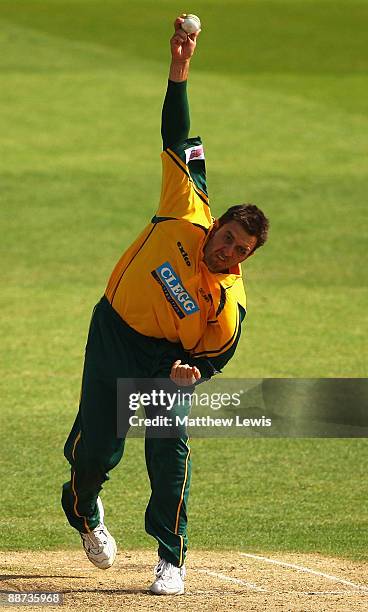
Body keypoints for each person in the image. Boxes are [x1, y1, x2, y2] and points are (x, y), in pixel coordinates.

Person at [61, 15, 269, 596]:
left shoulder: (226, 301)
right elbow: (178, 133)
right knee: (97, 449)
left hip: (163, 361)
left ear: (246, 258)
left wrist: (192, 371)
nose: (226, 248)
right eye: (226, 235)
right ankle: (85, 509)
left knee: (168, 448)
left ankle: (170, 557)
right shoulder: (185, 208)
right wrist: (180, 66)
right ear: (216, 220)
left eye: (239, 249)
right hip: (113, 333)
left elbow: (218, 355)